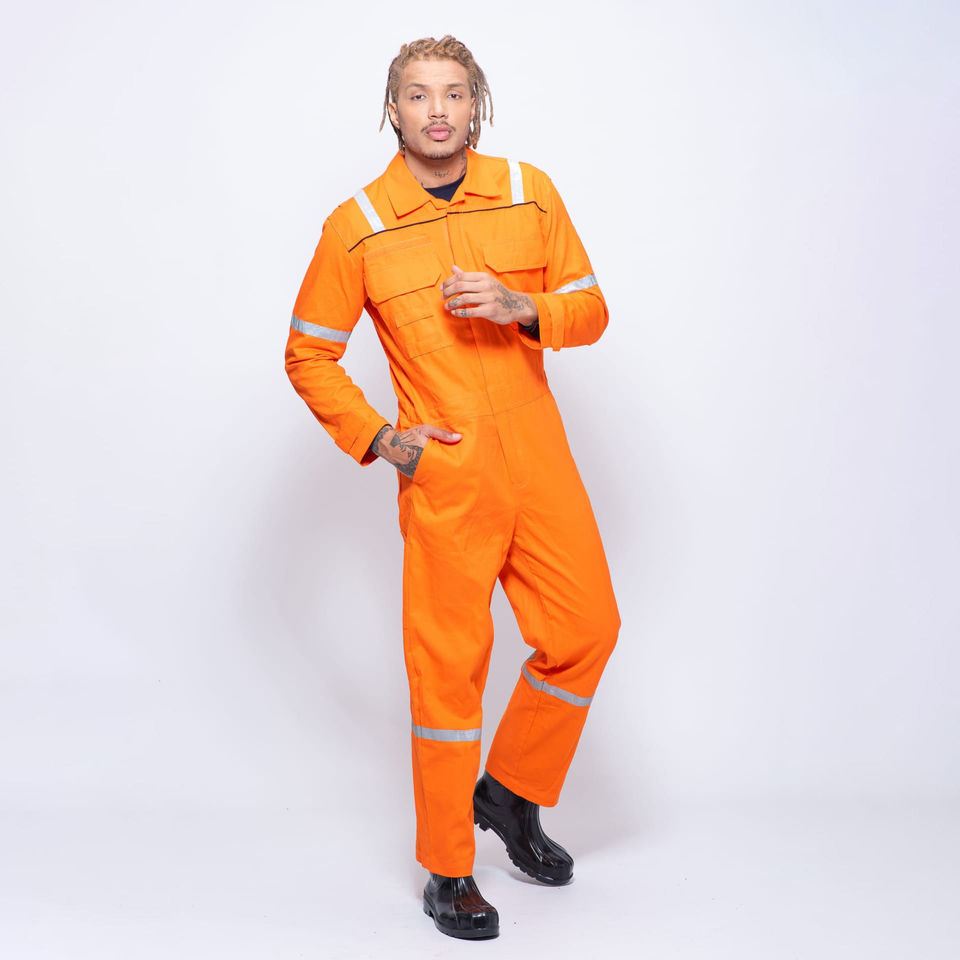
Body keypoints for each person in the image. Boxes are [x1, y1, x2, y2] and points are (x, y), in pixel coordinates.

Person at [285, 35, 620, 941]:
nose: (438, 110)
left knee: (586, 629)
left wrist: (523, 307)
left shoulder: (527, 192)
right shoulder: (357, 226)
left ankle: (509, 790)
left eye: (454, 93)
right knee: (448, 672)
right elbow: (308, 353)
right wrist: (383, 440)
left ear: (479, 105)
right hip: (449, 474)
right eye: (418, 94)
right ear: (391, 110)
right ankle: (449, 867)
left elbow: (591, 307)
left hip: (540, 457)